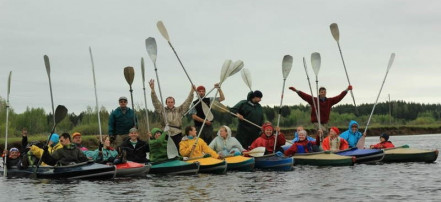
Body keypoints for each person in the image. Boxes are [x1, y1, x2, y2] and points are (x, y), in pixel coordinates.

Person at [149, 79, 194, 151]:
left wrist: (192, 92)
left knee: (179, 149)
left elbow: (187, 102)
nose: (170, 103)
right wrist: (152, 90)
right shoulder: (162, 110)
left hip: (177, 132)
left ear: (174, 103)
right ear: (166, 103)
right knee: (167, 150)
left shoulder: (179, 110)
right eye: (168, 102)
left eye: (172, 102)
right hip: (166, 132)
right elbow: (155, 102)